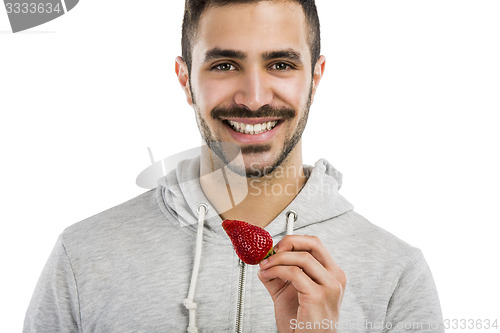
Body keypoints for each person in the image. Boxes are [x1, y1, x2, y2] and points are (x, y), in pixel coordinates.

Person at [23, 0, 444, 332]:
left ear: (315, 78)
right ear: (185, 78)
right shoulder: (82, 256)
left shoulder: (397, 274)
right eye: (225, 65)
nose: (254, 96)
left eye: (281, 64)